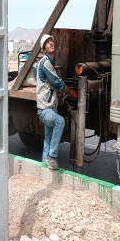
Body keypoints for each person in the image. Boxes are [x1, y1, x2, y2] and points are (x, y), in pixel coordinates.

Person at [36, 34, 73, 170]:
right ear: (44, 49)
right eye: (47, 42)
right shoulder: (45, 62)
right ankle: (52, 156)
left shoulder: (49, 62)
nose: (51, 43)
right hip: (45, 109)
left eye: (51, 40)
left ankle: (44, 169)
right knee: (60, 121)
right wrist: (71, 92)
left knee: (47, 139)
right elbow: (57, 84)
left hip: (50, 108)